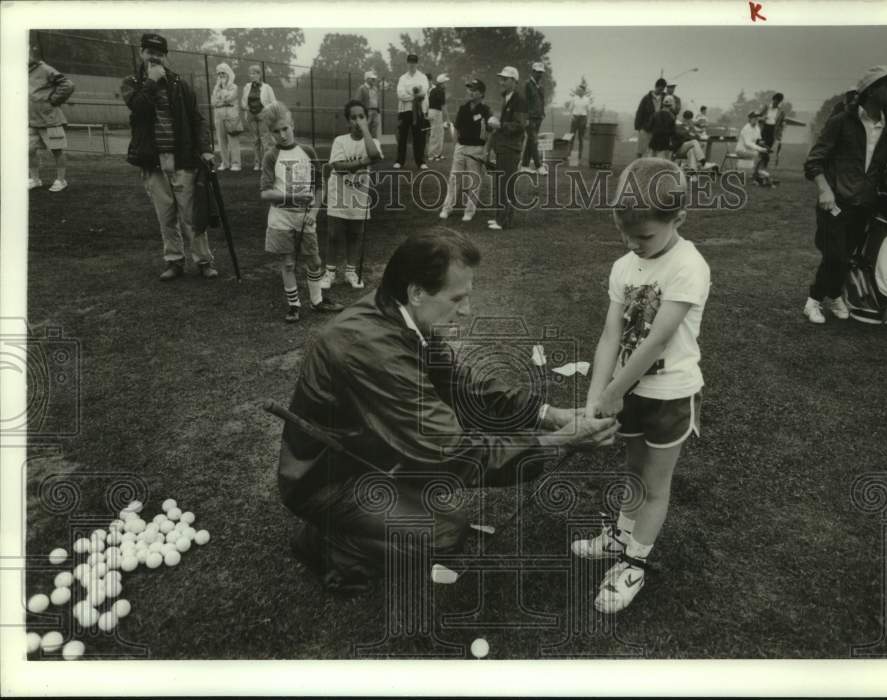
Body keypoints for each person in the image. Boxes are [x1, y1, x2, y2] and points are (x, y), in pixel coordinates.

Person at [277, 229, 620, 594]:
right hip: (328, 481)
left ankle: (350, 522)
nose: (467, 310)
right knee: (443, 532)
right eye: (457, 299)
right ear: (416, 291)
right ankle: (330, 551)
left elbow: (465, 389)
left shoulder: (398, 312)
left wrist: (551, 415)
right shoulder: (371, 349)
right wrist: (558, 442)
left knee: (448, 512)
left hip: (365, 456)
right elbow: (451, 452)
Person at [574, 158, 710, 614]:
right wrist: (597, 391)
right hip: (628, 393)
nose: (635, 244)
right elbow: (611, 333)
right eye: (626, 235)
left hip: (670, 395)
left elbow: (656, 341)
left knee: (656, 483)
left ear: (679, 219)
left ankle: (634, 561)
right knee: (632, 472)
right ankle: (619, 536)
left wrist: (613, 392)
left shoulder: (689, 266)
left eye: (646, 236)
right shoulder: (623, 267)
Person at [802, 65, 887, 325]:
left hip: (865, 203)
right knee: (835, 256)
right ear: (872, 91)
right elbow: (814, 161)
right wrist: (824, 190)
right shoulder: (841, 121)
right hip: (834, 201)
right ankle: (814, 301)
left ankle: (833, 293)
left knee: (847, 254)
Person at [121, 33, 219, 281]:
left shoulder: (180, 84)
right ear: (142, 53)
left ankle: (204, 260)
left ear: (165, 56)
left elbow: (197, 119)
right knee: (165, 216)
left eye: (159, 53)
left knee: (190, 215)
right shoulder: (132, 83)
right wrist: (151, 82)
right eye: (149, 52)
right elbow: (139, 108)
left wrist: (206, 148)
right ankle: (174, 261)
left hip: (182, 159)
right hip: (152, 161)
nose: (154, 57)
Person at [259, 102, 343, 323]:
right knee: (288, 263)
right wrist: (291, 198)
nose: (282, 134)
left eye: (285, 128)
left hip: (305, 218)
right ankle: (294, 306)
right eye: (276, 131)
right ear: (271, 133)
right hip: (280, 218)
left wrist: (314, 213)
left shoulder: (307, 151)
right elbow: (265, 194)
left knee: (314, 261)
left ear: (292, 125)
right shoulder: (270, 156)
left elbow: (319, 186)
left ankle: (317, 301)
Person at [323, 99, 383, 292]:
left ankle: (350, 271)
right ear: (348, 121)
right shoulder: (340, 141)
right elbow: (338, 167)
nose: (357, 121)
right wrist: (362, 162)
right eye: (353, 118)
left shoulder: (372, 142)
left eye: (361, 117)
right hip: (338, 192)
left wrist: (366, 130)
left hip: (359, 194)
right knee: (333, 234)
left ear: (367, 118)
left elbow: (375, 156)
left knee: (356, 234)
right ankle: (330, 272)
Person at [439, 79, 491, 222]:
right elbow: (456, 128)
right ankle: (447, 208)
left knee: (474, 181)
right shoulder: (463, 108)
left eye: (474, 89)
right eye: (469, 89)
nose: (470, 92)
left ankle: (469, 211)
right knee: (454, 178)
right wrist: (456, 146)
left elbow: (489, 132)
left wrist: (486, 150)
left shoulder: (485, 110)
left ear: (481, 93)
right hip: (461, 147)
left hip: (477, 148)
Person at [28, 41, 75, 192]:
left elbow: (68, 85)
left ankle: (61, 180)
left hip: (50, 119)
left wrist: (53, 101)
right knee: (28, 150)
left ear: (32, 54)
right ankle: (35, 180)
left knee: (57, 150)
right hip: (30, 121)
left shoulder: (46, 69)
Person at [486, 66, 527, 232]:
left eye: (505, 79)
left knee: (506, 184)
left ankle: (504, 221)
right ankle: (500, 217)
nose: (501, 81)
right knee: (501, 182)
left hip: (511, 148)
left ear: (514, 82)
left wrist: (499, 124)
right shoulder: (507, 98)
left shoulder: (519, 100)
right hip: (504, 147)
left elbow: (520, 126)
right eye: (501, 78)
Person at [394, 54, 429, 170]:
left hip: (418, 111)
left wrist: (409, 92)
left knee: (419, 137)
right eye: (410, 62)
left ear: (417, 63)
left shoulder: (422, 76)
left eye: (414, 62)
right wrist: (414, 96)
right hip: (405, 110)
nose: (412, 64)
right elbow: (400, 94)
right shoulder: (402, 78)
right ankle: (400, 161)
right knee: (402, 137)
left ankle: (420, 162)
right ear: (407, 63)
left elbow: (423, 92)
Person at [242, 64, 276, 171]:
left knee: (265, 141)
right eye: (250, 74)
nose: (252, 76)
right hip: (251, 116)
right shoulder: (247, 87)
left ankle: (266, 164)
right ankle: (257, 163)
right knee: (255, 140)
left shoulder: (267, 87)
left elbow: (274, 103)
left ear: (259, 74)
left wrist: (264, 111)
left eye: (254, 73)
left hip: (263, 116)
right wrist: (246, 107)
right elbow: (243, 102)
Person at [211, 62, 242, 171]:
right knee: (221, 140)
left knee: (233, 140)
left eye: (223, 73)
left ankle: (236, 163)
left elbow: (228, 98)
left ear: (228, 73)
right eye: (219, 73)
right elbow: (213, 102)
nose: (221, 75)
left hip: (231, 117)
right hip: (218, 116)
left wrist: (222, 92)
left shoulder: (234, 87)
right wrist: (220, 97)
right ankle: (225, 163)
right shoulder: (216, 88)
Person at [520, 62, 547, 175]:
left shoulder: (539, 86)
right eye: (538, 72)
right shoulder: (527, 84)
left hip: (538, 117)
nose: (540, 74)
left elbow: (541, 101)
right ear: (533, 71)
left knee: (531, 141)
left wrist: (542, 112)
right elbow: (524, 102)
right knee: (534, 140)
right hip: (530, 117)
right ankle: (539, 166)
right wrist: (525, 117)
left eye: (541, 72)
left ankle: (525, 165)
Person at [633, 78, 667, 158]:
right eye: (660, 89)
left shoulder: (665, 99)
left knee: (654, 150)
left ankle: (651, 167)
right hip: (646, 127)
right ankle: (638, 165)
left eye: (662, 89)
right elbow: (640, 112)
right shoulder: (646, 98)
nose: (661, 91)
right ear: (656, 87)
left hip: (657, 129)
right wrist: (638, 127)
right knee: (641, 150)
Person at [735, 111, 771, 184]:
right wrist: (760, 149)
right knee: (757, 155)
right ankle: (756, 177)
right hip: (741, 150)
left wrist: (765, 146)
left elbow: (758, 140)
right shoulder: (746, 128)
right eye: (754, 118)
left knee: (765, 155)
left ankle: (758, 174)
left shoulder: (757, 128)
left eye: (757, 117)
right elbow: (748, 143)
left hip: (750, 150)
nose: (756, 119)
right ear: (750, 119)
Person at [426, 73, 450, 161]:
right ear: (442, 83)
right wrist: (447, 119)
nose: (446, 84)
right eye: (445, 82)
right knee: (436, 134)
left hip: (432, 112)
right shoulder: (441, 91)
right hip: (436, 112)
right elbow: (443, 106)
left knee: (438, 133)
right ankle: (432, 155)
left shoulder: (433, 90)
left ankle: (437, 154)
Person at [567, 84, 593, 163]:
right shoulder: (574, 98)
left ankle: (580, 156)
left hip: (583, 118)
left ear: (583, 91)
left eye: (580, 90)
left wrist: (588, 121)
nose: (579, 91)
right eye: (578, 90)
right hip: (575, 118)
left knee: (581, 138)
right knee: (571, 136)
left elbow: (588, 111)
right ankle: (568, 154)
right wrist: (571, 117)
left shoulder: (587, 99)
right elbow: (570, 109)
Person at [355, 70, 382, 141]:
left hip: (375, 111)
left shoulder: (375, 88)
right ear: (367, 79)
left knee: (374, 129)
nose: (374, 79)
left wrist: (378, 110)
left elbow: (376, 99)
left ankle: (374, 146)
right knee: (365, 129)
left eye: (374, 78)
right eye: (372, 78)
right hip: (367, 111)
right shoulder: (362, 88)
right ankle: (363, 146)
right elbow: (357, 101)